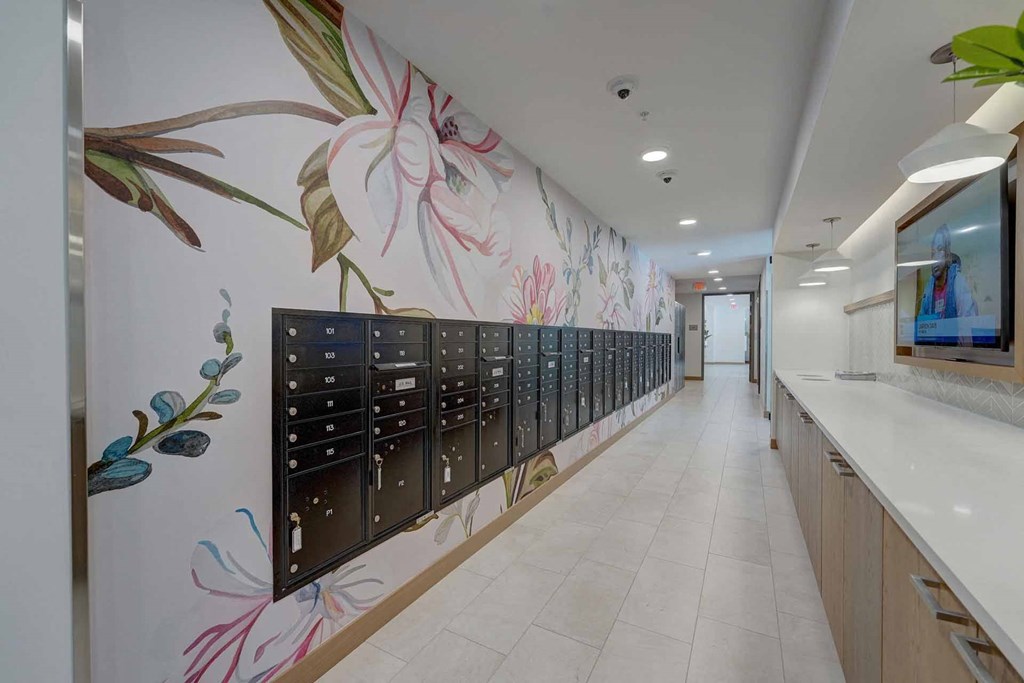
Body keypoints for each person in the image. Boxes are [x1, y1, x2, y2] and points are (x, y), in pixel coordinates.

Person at [918, 223, 978, 320]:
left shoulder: (958, 283)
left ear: (947, 255)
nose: (935, 258)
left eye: (940, 249)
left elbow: (969, 324)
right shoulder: (928, 289)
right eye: (933, 253)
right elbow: (921, 324)